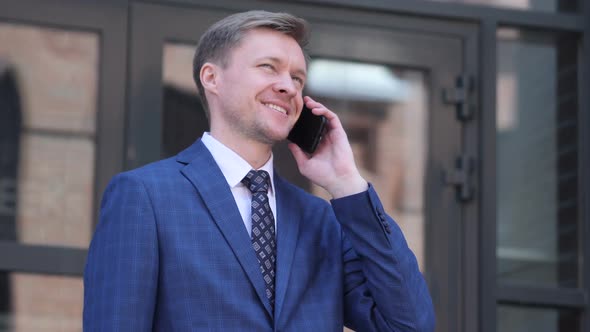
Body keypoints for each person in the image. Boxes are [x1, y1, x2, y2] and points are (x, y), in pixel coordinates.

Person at [83, 10, 435, 331]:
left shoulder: (321, 219)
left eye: (298, 78)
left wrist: (347, 185)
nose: (288, 86)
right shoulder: (145, 195)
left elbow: (410, 325)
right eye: (268, 67)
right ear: (212, 78)